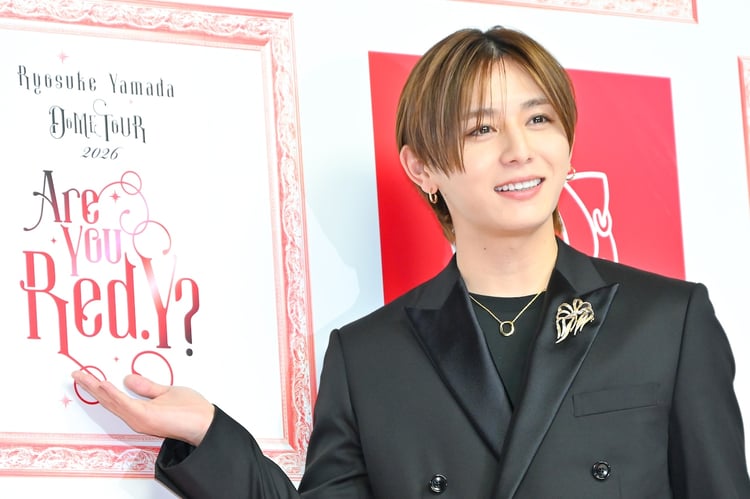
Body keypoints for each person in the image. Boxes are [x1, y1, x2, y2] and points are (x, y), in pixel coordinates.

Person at [72, 26, 750, 498]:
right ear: (422, 167)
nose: (519, 149)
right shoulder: (371, 357)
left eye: (539, 119)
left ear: (569, 144)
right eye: (481, 128)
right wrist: (211, 436)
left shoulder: (668, 321)